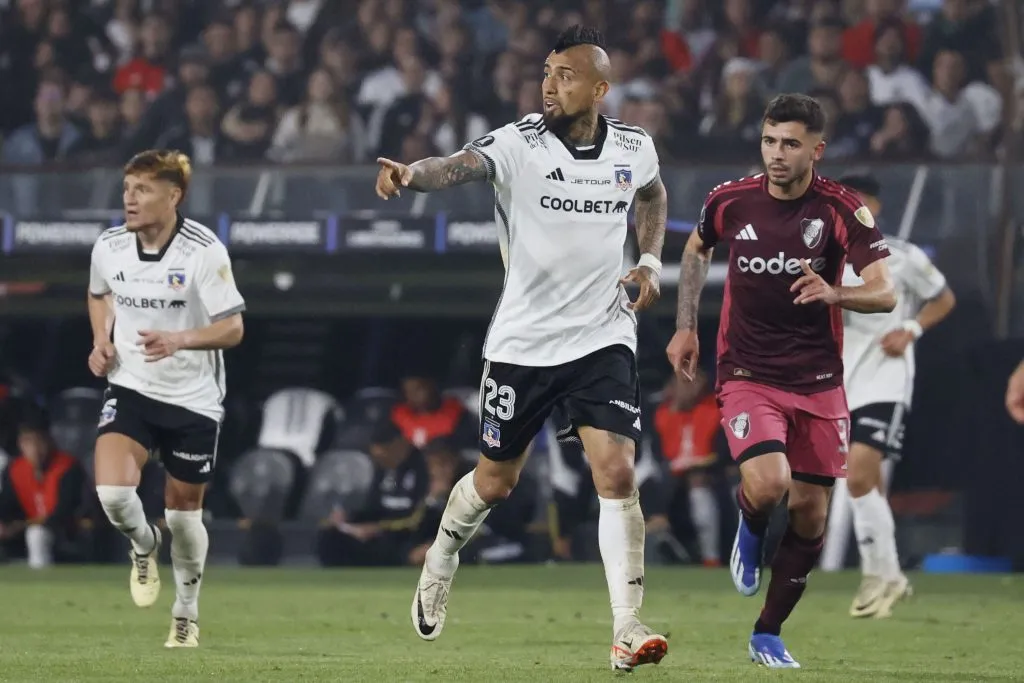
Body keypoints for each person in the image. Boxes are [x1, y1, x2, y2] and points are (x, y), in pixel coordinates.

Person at [375, 25, 670, 671]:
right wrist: (410, 175)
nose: (549, 83)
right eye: (546, 72)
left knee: (616, 472)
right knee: (495, 481)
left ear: (600, 87)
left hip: (602, 334)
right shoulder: (518, 142)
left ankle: (627, 626)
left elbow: (651, 193)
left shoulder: (632, 146)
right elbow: (454, 165)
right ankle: (443, 555)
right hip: (524, 344)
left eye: (565, 74)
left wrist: (648, 260)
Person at [666, 93, 896, 669]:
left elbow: (885, 291)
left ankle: (767, 631)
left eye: (790, 144)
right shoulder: (731, 199)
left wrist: (836, 291)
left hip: (819, 379)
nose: (776, 154)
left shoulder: (843, 211)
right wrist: (686, 326)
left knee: (811, 513)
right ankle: (748, 524)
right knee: (769, 484)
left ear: (816, 150)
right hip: (748, 370)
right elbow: (696, 249)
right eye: (770, 141)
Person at [88, 149, 246, 648]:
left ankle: (185, 612)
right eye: (127, 189)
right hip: (131, 385)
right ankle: (143, 544)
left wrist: (179, 339)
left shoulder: (203, 250)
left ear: (173, 196)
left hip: (193, 399)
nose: (129, 199)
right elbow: (99, 294)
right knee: (114, 495)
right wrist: (101, 340)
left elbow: (233, 327)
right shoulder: (109, 247)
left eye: (142, 190)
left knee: (183, 516)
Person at [824, 172, 955, 618]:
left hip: (885, 380)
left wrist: (911, 328)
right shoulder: (824, 258)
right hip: (839, 383)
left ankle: (881, 575)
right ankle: (888, 575)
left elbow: (943, 298)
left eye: (851, 200)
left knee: (860, 475)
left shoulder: (902, 257)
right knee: (862, 483)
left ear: (873, 207)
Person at [317, 420, 428, 567]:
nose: (380, 462)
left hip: (407, 534)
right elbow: (373, 506)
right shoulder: (383, 469)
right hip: (379, 531)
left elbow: (421, 516)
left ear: (399, 446)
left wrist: (379, 527)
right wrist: (348, 517)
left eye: (383, 456)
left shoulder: (422, 468)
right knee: (329, 536)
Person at [0, 409, 85, 567]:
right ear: (20, 444)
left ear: (49, 441)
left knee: (37, 534)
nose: (35, 449)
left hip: (62, 532)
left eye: (39, 441)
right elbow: (6, 504)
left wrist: (19, 526)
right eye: (28, 442)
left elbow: (64, 511)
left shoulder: (67, 466)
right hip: (22, 531)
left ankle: (40, 582)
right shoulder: (14, 469)